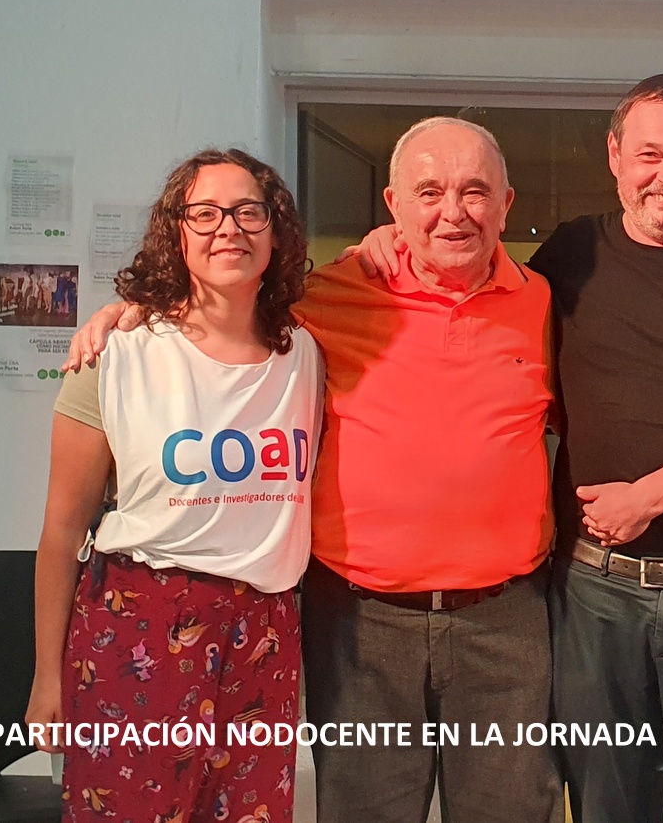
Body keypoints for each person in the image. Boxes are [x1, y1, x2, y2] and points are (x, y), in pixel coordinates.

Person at [65, 118, 563, 823]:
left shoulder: (544, 305)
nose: (453, 212)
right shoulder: (325, 297)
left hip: (506, 621)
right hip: (362, 623)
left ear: (506, 204)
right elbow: (227, 301)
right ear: (394, 204)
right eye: (429, 193)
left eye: (475, 191)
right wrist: (136, 310)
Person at [351, 74, 663, 823]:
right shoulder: (572, 252)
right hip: (596, 593)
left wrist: (644, 499)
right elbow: (477, 282)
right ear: (615, 156)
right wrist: (390, 239)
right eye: (649, 154)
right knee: (603, 806)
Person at [28, 148, 322, 823]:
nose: (229, 228)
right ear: (177, 232)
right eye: (205, 213)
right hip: (141, 622)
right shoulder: (116, 355)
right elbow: (61, 533)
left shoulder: (306, 354)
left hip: (265, 633)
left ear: (276, 231)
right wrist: (47, 678)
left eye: (248, 211)